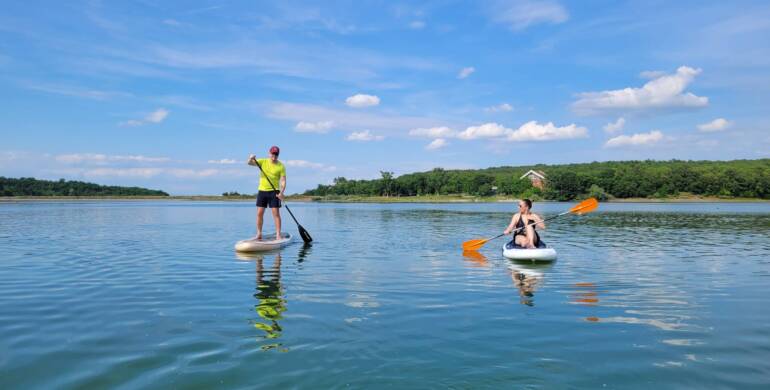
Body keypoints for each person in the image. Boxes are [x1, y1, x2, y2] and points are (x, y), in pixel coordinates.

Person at [248, 146, 286, 240]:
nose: (274, 155)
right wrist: (251, 158)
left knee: (276, 214)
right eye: (273, 153)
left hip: (275, 192)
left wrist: (281, 192)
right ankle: (259, 234)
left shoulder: (281, 166)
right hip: (262, 191)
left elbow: (283, 181)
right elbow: (249, 163)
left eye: (276, 154)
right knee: (259, 213)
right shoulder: (262, 161)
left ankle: (278, 234)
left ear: (278, 155)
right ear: (269, 153)